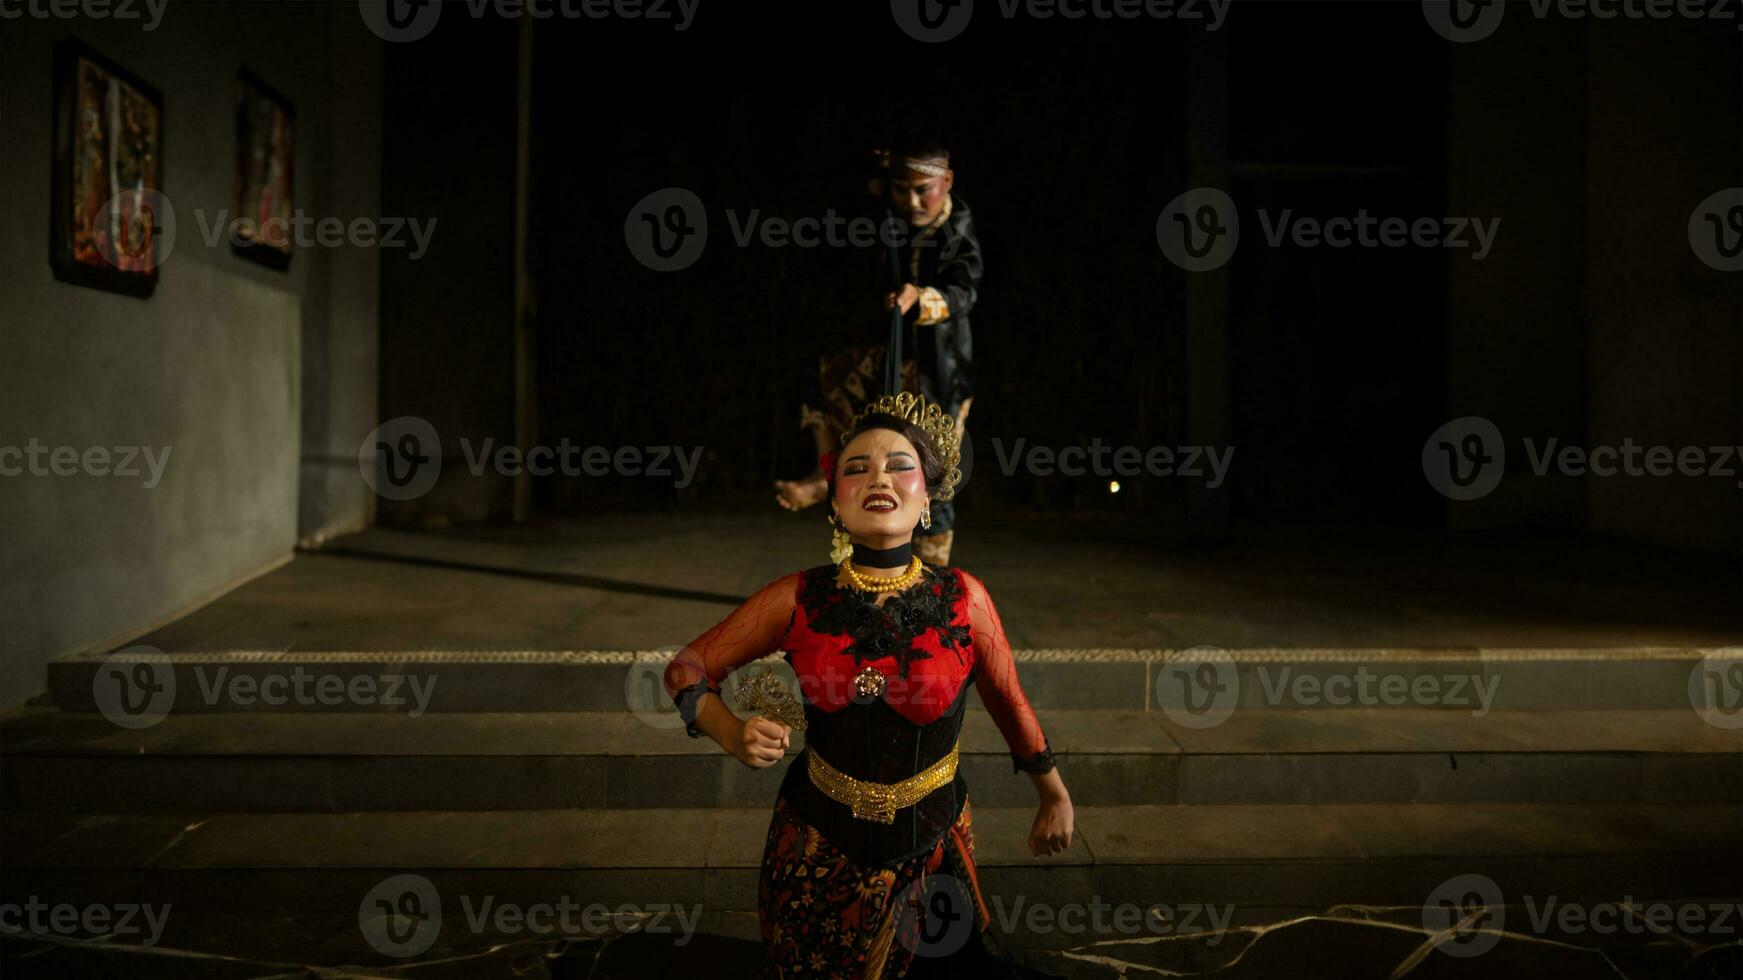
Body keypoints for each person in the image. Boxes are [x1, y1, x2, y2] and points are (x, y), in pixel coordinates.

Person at [674, 391, 1071, 978]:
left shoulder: (965, 599)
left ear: (929, 496)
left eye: (900, 465)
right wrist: (726, 728)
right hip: (813, 847)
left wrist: (1054, 793)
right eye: (856, 468)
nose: (877, 477)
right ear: (835, 502)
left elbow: (1007, 698)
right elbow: (686, 669)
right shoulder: (797, 597)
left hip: (931, 843)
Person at [774, 135, 983, 567]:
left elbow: (965, 288)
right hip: (887, 359)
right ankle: (826, 476)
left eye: (922, 189)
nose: (911, 200)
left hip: (937, 372)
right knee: (827, 393)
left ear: (947, 180)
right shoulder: (886, 210)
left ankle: (932, 585)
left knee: (930, 474)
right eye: (900, 188)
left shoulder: (956, 223)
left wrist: (921, 297)